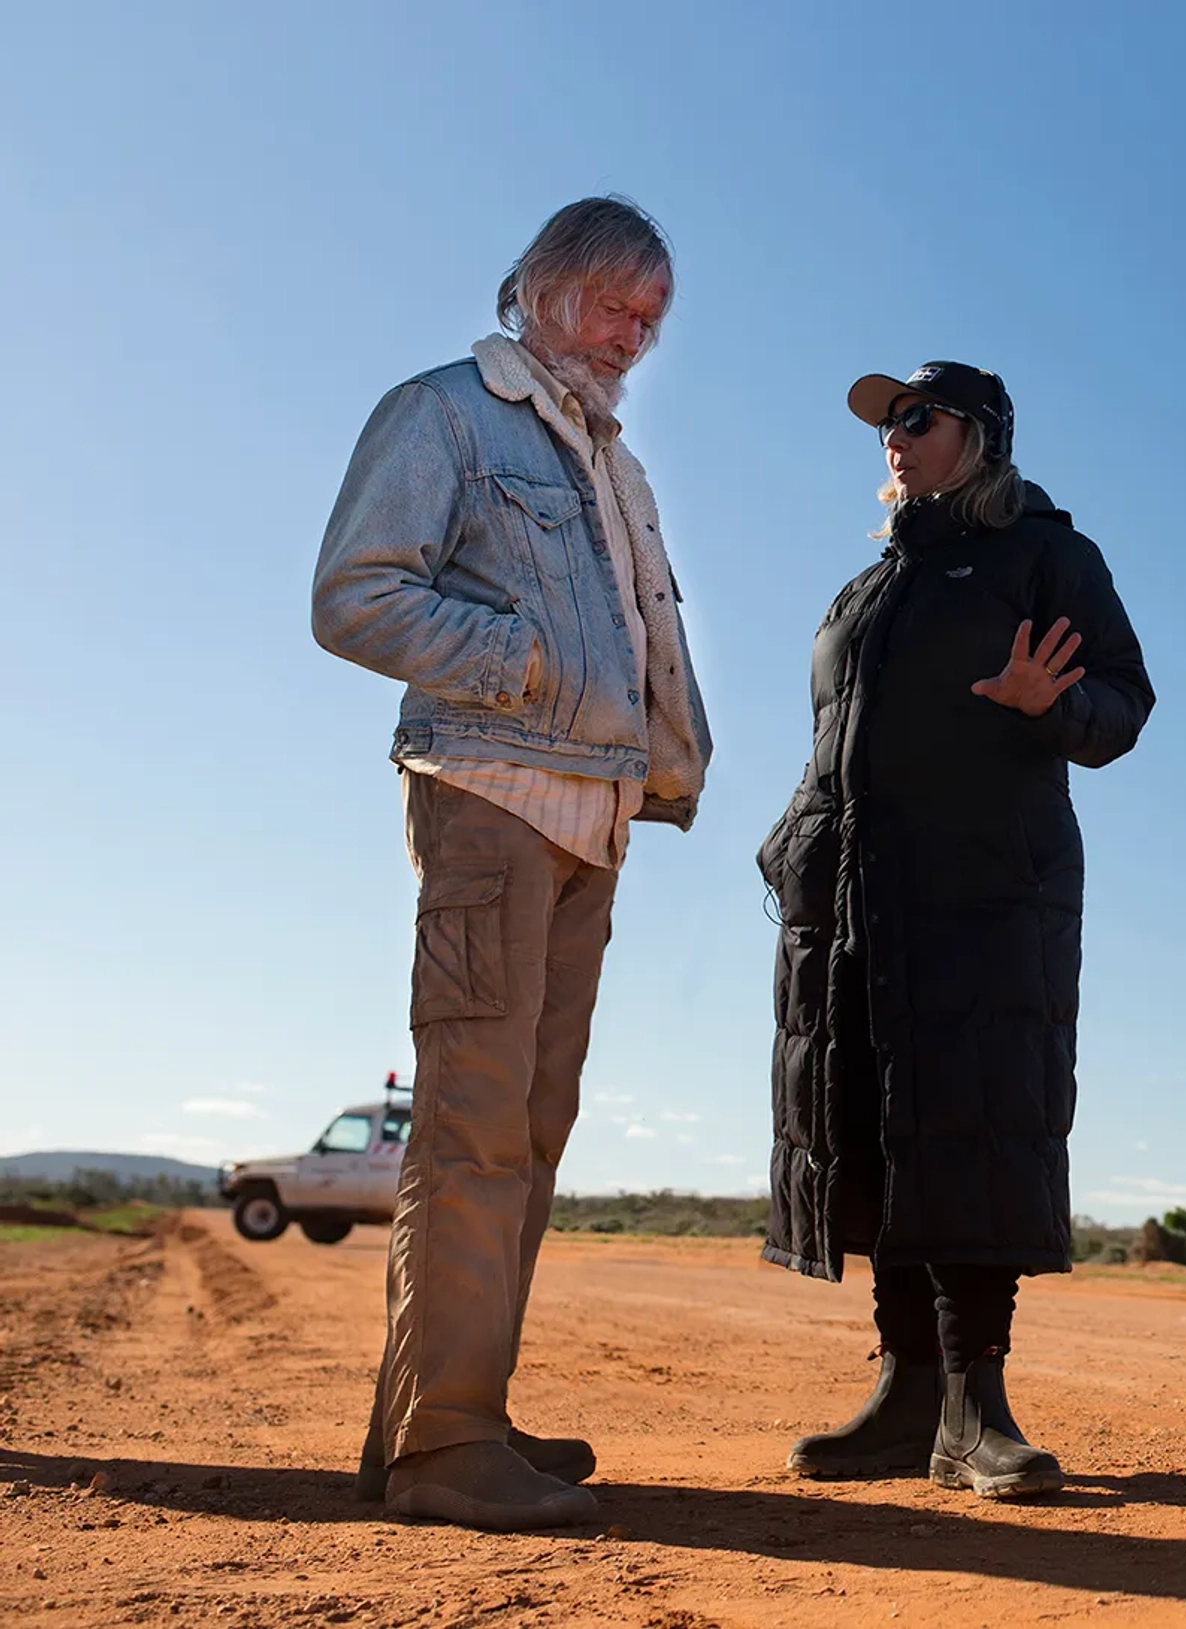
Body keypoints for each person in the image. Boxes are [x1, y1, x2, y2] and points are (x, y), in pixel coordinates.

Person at [311, 196, 712, 1532]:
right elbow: (356, 595)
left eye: (650, 320)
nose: (633, 338)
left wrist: (664, 757)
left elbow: (645, 637)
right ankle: (446, 1448)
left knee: (529, 1135)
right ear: (538, 291)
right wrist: (525, 667)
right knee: (476, 1124)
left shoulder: (612, 463)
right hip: (489, 794)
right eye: (614, 306)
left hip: (592, 819)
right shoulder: (446, 414)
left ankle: (446, 1414)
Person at [757, 361, 1153, 1498]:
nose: (895, 435)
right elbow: (834, 738)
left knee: (974, 1123)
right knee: (878, 1131)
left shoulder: (1045, 555)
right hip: (853, 899)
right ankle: (906, 1396)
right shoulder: (869, 589)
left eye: (917, 417)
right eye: (887, 421)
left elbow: (1123, 704)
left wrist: (1055, 706)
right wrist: (792, 844)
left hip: (986, 888)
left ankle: (977, 1407)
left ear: (979, 435)